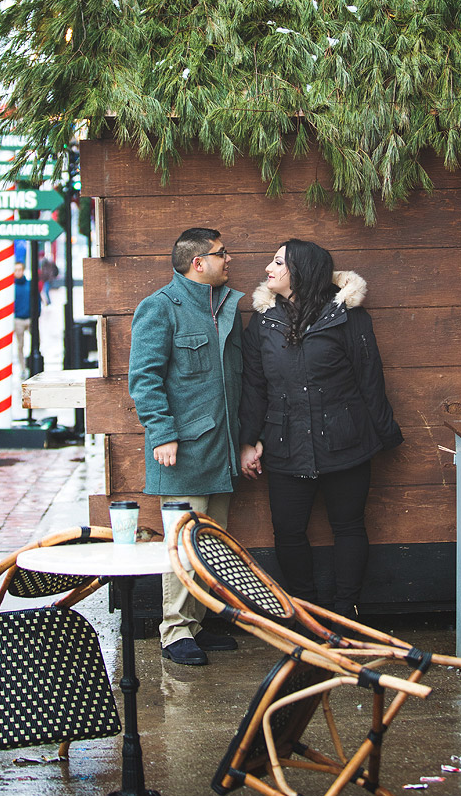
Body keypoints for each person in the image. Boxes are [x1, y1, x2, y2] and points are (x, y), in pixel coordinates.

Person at [239, 239, 403, 618]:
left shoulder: (347, 316)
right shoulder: (263, 320)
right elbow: (254, 384)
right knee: (288, 531)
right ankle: (306, 613)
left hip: (346, 439)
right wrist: (248, 441)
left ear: (301, 271)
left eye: (278, 262)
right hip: (284, 443)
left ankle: (346, 612)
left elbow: (370, 377)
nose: (268, 268)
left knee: (348, 526)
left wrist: (381, 433)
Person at [128, 227, 244, 666]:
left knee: (211, 543)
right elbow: (144, 379)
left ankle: (197, 624)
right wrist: (162, 433)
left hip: (222, 447)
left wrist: (246, 441)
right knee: (181, 544)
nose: (228, 259)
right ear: (198, 263)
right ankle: (174, 631)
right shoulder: (159, 308)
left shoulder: (224, 306)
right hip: (181, 449)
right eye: (221, 253)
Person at [13, 262, 40, 374]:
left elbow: (37, 299)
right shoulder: (11, 288)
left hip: (30, 318)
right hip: (18, 319)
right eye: (16, 270)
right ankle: (23, 368)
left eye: (20, 269)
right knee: (20, 346)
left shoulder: (29, 285)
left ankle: (33, 364)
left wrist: (37, 314)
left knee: (36, 342)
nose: (18, 272)